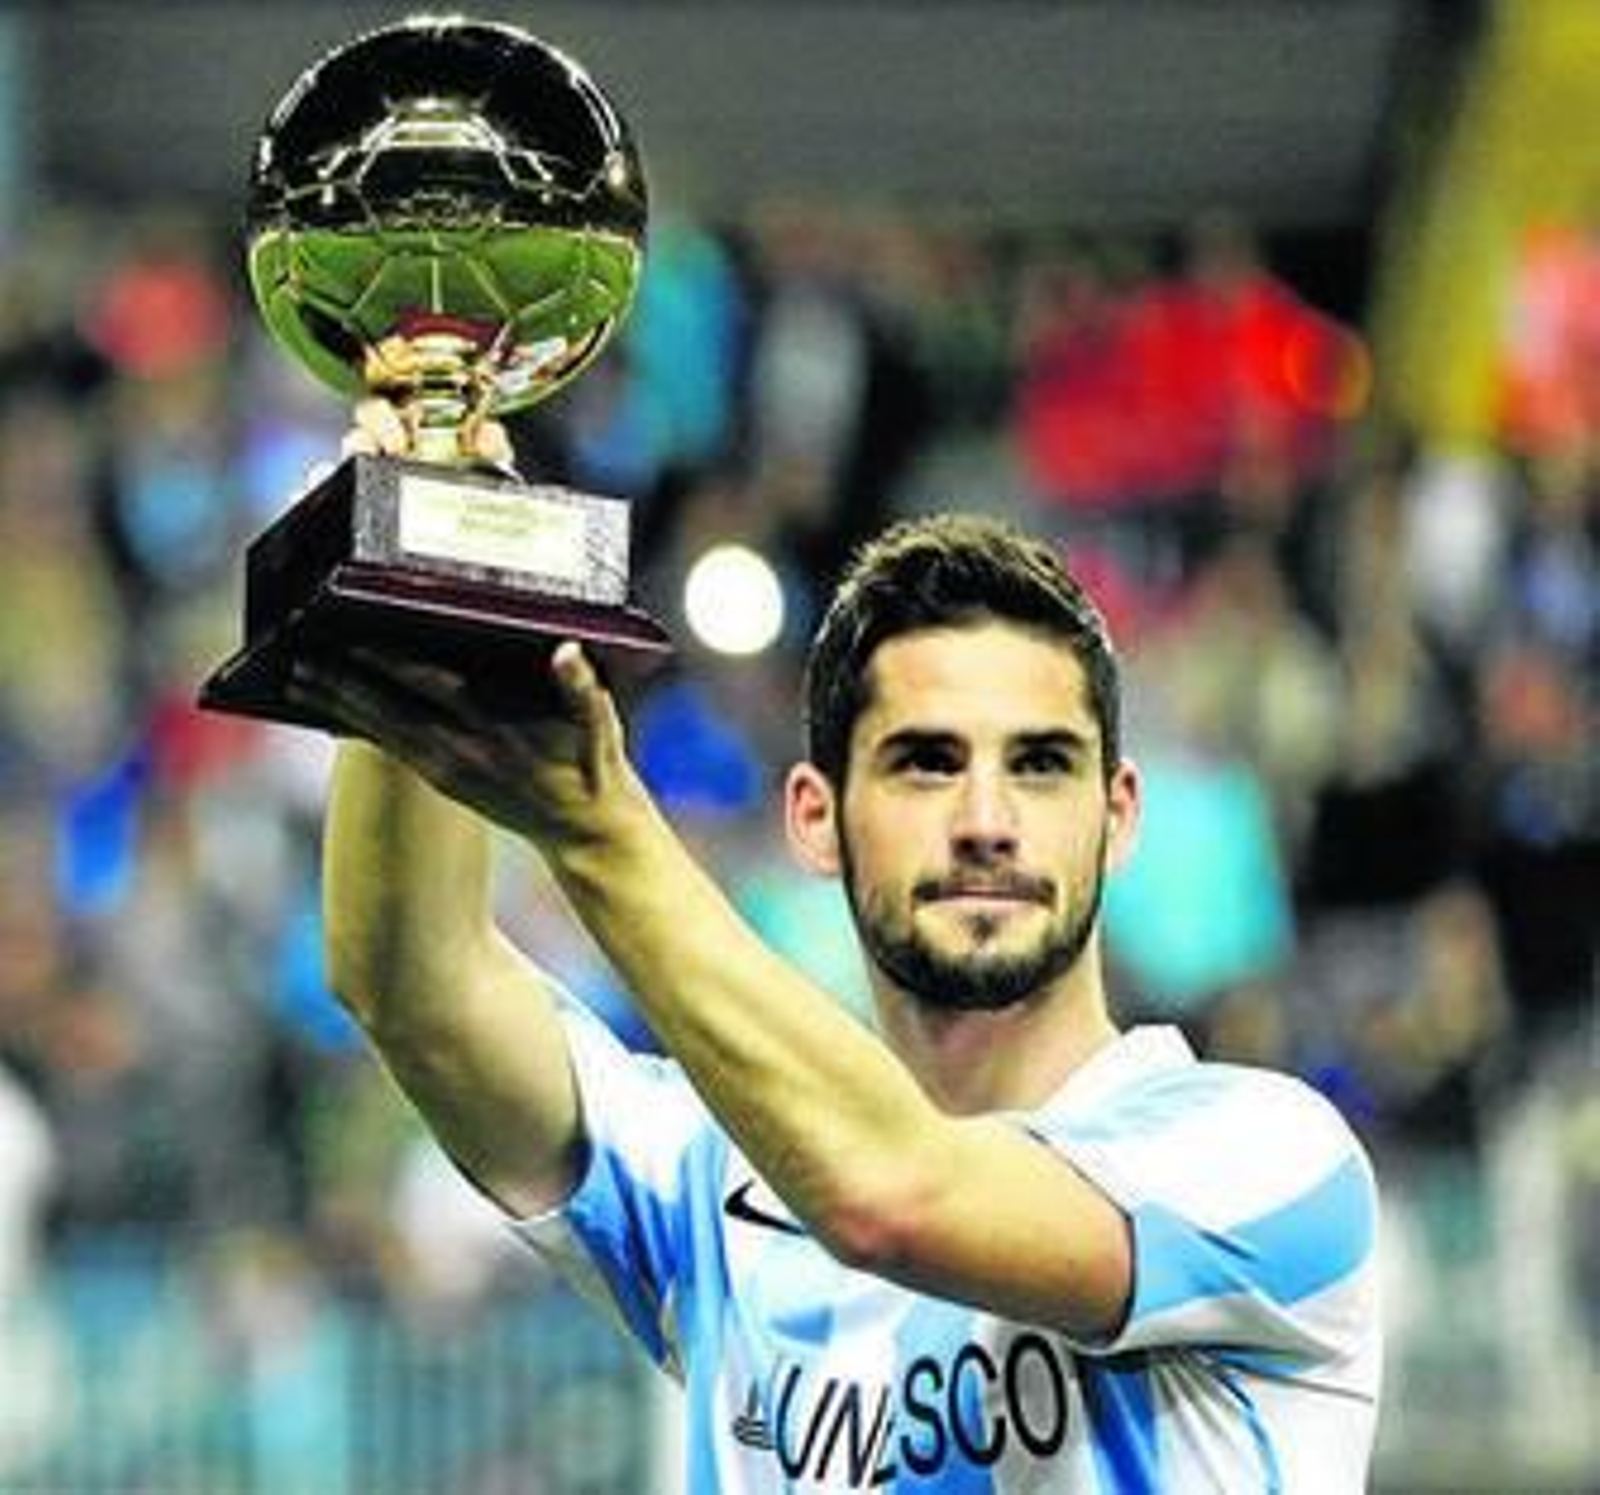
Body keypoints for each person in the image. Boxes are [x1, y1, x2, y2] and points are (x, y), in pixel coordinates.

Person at [292, 404, 1381, 1491]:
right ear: (815, 818)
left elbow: (892, 1194)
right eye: (925, 763)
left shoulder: (1263, 1158)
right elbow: (414, 985)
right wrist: (415, 587)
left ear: (1118, 814)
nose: (986, 820)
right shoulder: (719, 1176)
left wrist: (601, 830)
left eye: (1041, 764)